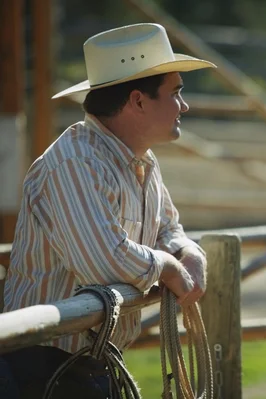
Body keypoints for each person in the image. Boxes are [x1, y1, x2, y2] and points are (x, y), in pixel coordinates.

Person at [0, 23, 216, 398]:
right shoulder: (74, 163)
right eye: (175, 93)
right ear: (138, 101)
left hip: (84, 362)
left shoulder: (141, 161)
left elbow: (169, 229)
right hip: (41, 366)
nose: (184, 105)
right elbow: (105, 263)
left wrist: (188, 252)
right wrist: (167, 266)